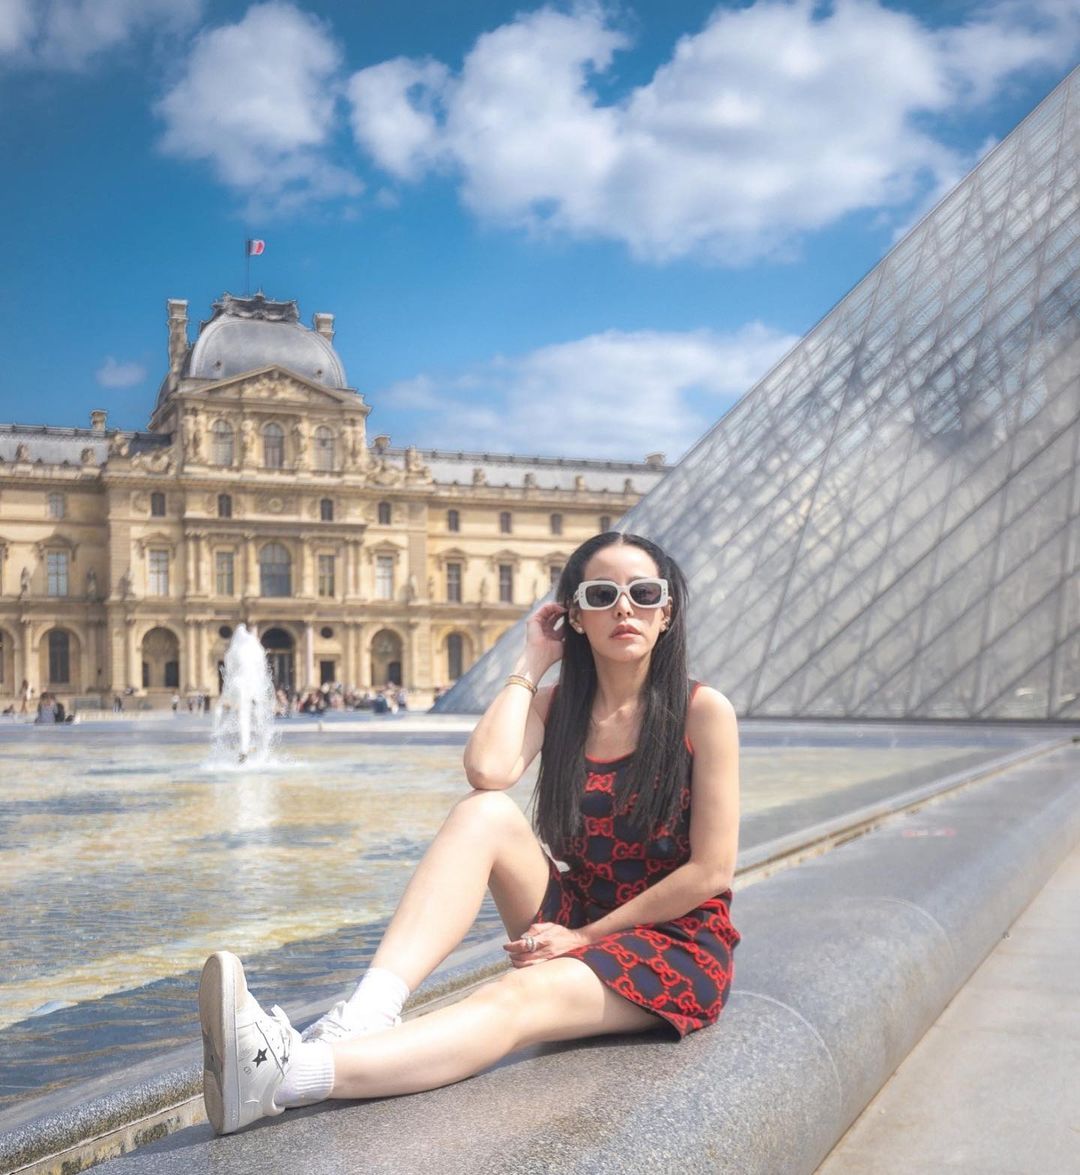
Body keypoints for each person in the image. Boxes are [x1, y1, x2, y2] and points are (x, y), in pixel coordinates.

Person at [198, 531, 740, 1136]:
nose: (624, 608)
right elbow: (487, 771)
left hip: (672, 943)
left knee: (513, 998)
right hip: (574, 917)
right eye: (601, 595)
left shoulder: (702, 710)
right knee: (482, 811)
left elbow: (710, 872)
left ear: (667, 613)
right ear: (575, 616)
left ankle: (288, 1076)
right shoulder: (558, 707)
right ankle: (366, 1014)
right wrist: (530, 662)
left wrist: (583, 937)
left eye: (643, 593)